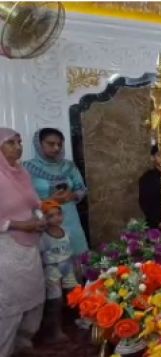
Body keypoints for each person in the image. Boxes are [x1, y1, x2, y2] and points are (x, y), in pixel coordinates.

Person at [0, 128, 46, 356]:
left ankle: (23, 344)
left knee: (34, 296)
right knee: (9, 303)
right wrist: (20, 225)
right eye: (10, 142)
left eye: (19, 141)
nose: (18, 147)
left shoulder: (21, 172)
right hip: (6, 248)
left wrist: (41, 216)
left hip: (30, 244)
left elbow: (33, 201)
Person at [23, 128, 89, 257]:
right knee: (53, 262)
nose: (56, 148)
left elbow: (81, 188)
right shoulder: (27, 168)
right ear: (39, 144)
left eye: (59, 144)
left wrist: (73, 195)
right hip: (45, 219)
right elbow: (23, 198)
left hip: (70, 217)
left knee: (79, 258)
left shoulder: (68, 166)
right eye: (51, 144)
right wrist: (49, 200)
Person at [38, 199, 75, 343]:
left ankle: (80, 320)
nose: (56, 218)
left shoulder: (66, 231)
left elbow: (69, 250)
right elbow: (40, 255)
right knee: (56, 300)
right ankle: (55, 330)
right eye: (51, 216)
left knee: (74, 293)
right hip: (52, 269)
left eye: (58, 214)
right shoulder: (43, 237)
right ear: (44, 218)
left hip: (68, 266)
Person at [138, 145, 161, 229]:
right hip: (156, 224)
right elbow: (145, 203)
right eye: (160, 155)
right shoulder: (147, 178)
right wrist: (158, 221)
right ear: (152, 158)